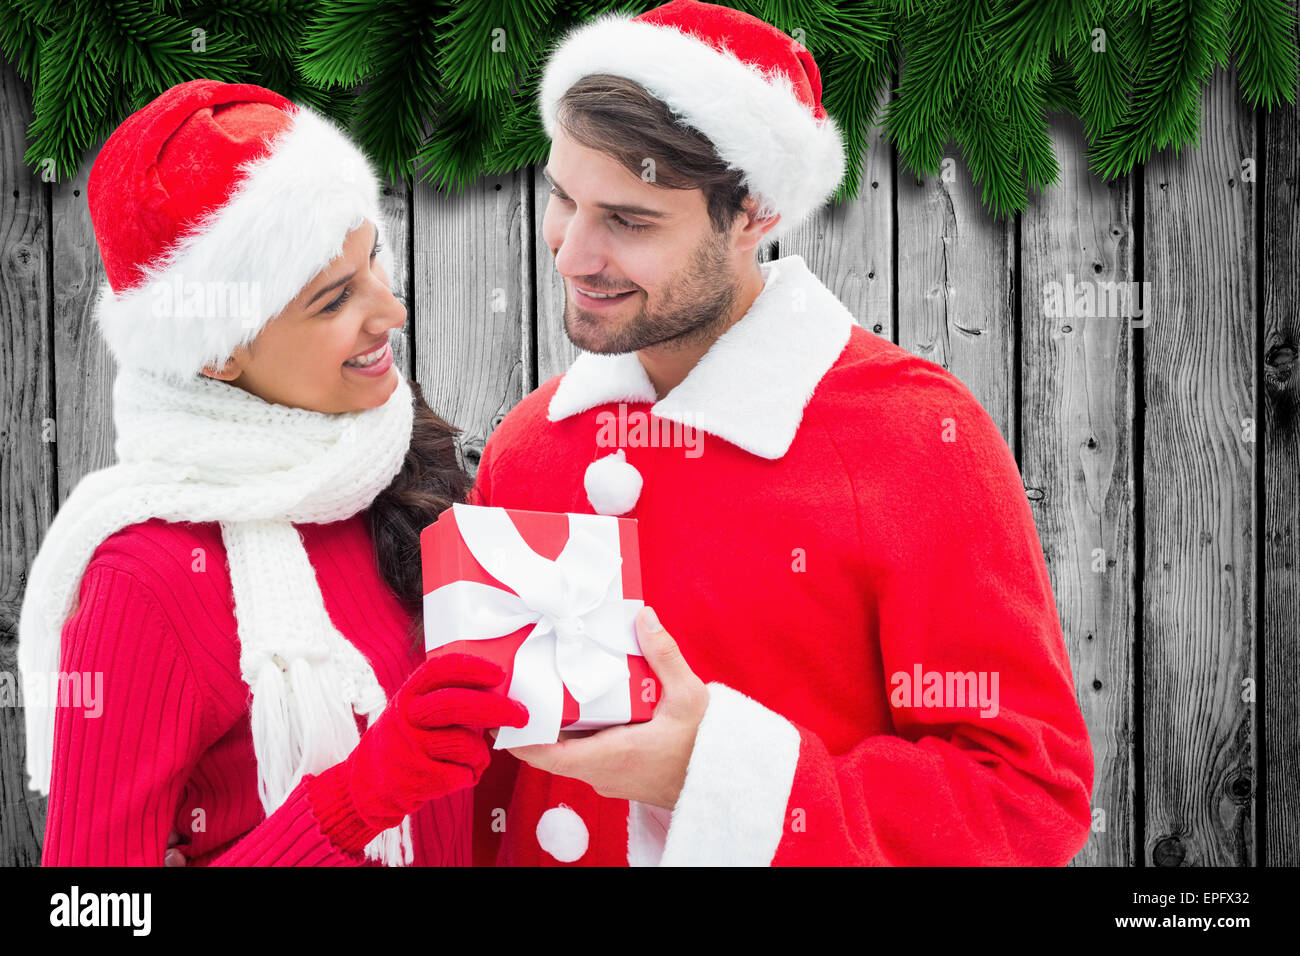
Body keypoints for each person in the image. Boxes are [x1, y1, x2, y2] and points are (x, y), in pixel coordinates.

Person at [469, 0, 1096, 865]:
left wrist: (717, 778)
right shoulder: (529, 446)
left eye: (628, 219)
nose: (572, 253)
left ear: (754, 214)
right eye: (564, 199)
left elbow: (1026, 797)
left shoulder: (918, 439)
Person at [17, 78, 526, 866]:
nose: (391, 313)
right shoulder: (144, 580)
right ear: (217, 352)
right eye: (332, 300)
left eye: (374, 261)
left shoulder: (398, 470)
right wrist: (360, 798)